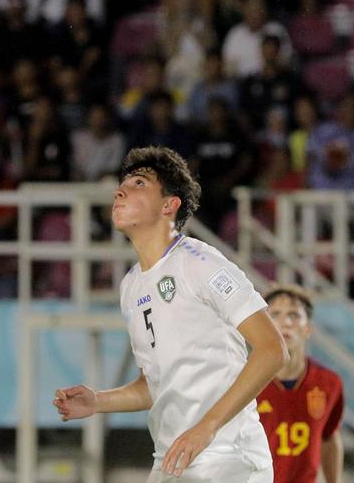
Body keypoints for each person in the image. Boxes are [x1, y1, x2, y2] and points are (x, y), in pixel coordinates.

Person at [54, 146, 286, 482]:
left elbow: (272, 350)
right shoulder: (131, 286)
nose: (120, 190)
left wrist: (207, 427)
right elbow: (156, 384)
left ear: (168, 205)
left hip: (226, 456)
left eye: (138, 184)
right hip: (172, 459)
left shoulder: (200, 262)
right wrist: (98, 401)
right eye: (123, 184)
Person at [257, 285, 344, 483]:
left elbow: (330, 436)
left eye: (294, 316)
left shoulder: (329, 383)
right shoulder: (245, 379)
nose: (285, 322)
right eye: (275, 314)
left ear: (308, 329)